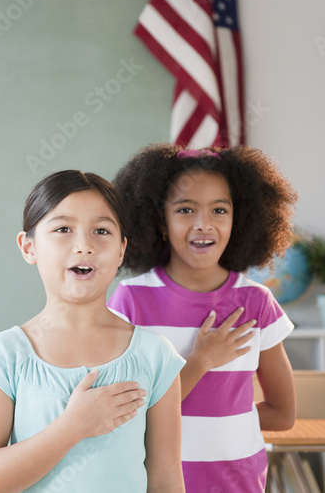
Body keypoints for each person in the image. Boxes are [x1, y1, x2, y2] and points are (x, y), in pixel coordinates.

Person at [0, 170, 186, 493]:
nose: (84, 245)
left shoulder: (156, 357)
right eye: (63, 229)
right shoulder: (2, 356)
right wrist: (72, 428)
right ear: (28, 247)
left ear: (120, 251)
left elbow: (167, 479)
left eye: (101, 231)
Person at [108, 144, 298, 493]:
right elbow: (126, 413)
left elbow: (283, 415)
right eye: (185, 209)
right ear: (160, 222)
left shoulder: (257, 303)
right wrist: (201, 360)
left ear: (237, 220)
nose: (203, 224)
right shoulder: (131, 301)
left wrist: (226, 422)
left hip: (239, 483)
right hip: (156, 483)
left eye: (219, 210)